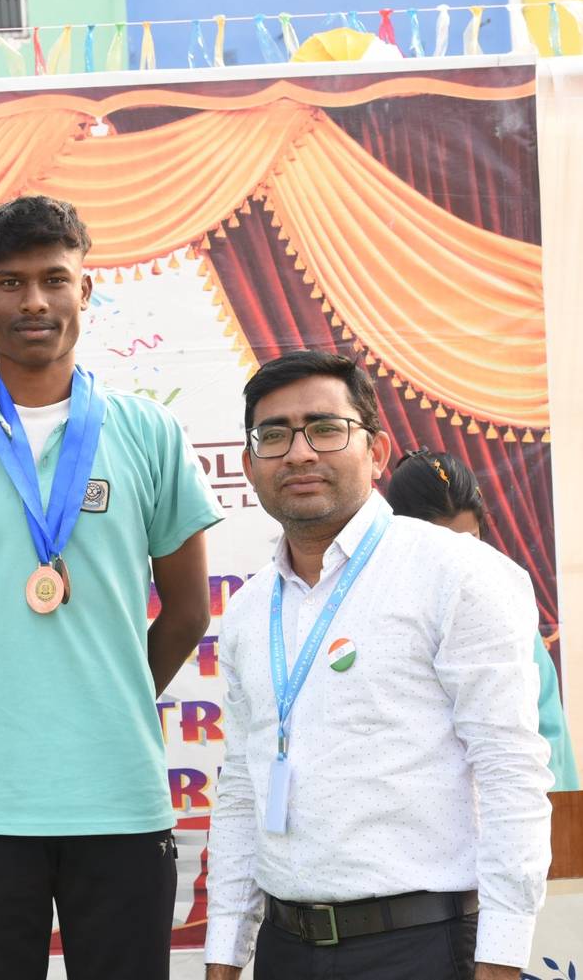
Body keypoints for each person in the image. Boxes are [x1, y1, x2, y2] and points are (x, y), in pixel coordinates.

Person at [0, 195, 222, 980]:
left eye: (54, 279)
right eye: (10, 283)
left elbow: (188, 609)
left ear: (86, 289)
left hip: (121, 797)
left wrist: (111, 692)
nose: (35, 302)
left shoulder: (147, 430)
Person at [205, 350, 553, 980]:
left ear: (377, 451)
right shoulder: (249, 610)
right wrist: (225, 953)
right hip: (284, 950)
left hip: (420, 947)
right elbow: (240, 791)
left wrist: (502, 957)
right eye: (274, 435)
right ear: (251, 464)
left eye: (325, 429)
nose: (299, 453)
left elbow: (510, 769)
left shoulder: (457, 573)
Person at [388, 447, 579, 791]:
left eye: (472, 540)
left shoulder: (503, 599)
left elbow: (544, 731)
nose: (464, 560)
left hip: (514, 803)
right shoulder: (381, 608)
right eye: (445, 545)